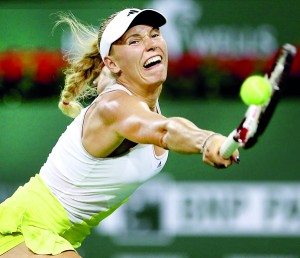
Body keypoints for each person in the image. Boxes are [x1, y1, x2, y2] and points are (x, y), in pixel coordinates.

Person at [0, 8, 239, 258]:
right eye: (134, 41)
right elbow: (165, 130)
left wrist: (108, 76)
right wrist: (207, 140)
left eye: (155, 35)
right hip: (24, 230)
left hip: (57, 236)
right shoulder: (113, 106)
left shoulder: (128, 92)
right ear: (112, 63)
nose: (150, 45)